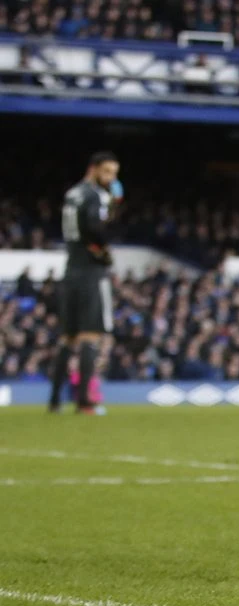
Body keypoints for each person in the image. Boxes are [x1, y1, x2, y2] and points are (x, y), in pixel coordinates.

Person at [49, 151, 122, 414]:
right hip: (91, 273)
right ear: (93, 169)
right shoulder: (95, 195)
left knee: (67, 338)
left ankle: (55, 401)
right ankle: (84, 402)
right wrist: (104, 250)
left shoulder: (73, 194)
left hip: (71, 271)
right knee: (90, 336)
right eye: (107, 172)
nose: (111, 178)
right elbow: (94, 227)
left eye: (114, 173)